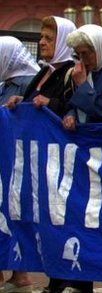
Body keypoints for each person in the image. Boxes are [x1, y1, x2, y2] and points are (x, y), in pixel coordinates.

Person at [5, 16, 82, 293]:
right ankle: (54, 280)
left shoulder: (71, 72)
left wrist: (51, 103)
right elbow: (32, 102)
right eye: (42, 37)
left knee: (62, 218)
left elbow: (74, 106)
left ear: (62, 41)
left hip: (59, 157)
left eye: (49, 38)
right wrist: (20, 102)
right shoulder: (44, 72)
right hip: (38, 160)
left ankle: (68, 280)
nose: (42, 43)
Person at [0, 37, 39, 293]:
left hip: (15, 160)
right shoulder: (7, 82)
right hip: (8, 158)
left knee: (8, 215)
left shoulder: (26, 83)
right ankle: (18, 274)